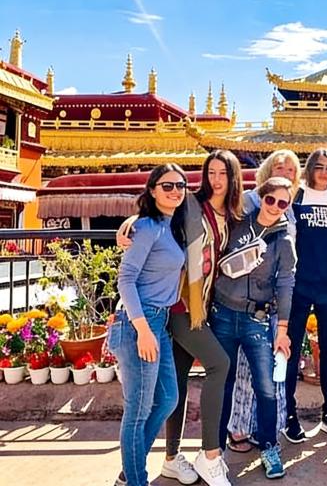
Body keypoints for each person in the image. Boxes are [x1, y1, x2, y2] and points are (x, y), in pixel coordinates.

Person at [117, 151, 239, 486]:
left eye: (223, 173)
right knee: (217, 364)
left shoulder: (228, 212)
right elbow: (143, 235)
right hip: (171, 311)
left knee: (173, 392)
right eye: (211, 172)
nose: (216, 179)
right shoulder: (189, 206)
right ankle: (206, 457)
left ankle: (158, 462)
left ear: (233, 177)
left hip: (183, 311)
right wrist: (130, 223)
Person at [210, 177, 296, 479]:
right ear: (261, 198)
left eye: (283, 203)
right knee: (222, 383)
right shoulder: (236, 224)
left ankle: (269, 447)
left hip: (256, 319)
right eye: (270, 200)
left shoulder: (283, 241)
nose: (275, 207)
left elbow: (286, 284)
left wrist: (282, 330)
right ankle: (214, 451)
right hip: (223, 313)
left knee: (266, 388)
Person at [108, 164, 187, 486]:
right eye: (167, 186)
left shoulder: (171, 224)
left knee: (167, 399)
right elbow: (125, 279)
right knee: (138, 411)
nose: (175, 191)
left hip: (159, 320)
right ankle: (136, 479)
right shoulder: (147, 227)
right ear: (152, 190)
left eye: (180, 185)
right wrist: (142, 329)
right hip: (138, 323)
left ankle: (130, 472)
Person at [229, 149, 301, 453]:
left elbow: (288, 264)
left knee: (273, 368)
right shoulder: (251, 201)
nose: (285, 172)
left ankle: (265, 429)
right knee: (246, 369)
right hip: (246, 300)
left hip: (275, 300)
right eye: (279, 167)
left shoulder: (290, 207)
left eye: (291, 169)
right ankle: (239, 428)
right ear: (268, 171)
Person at [283, 148, 327, 443]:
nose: (323, 172)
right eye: (319, 166)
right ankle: (289, 413)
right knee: (291, 350)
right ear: (310, 168)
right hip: (299, 285)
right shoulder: (297, 196)